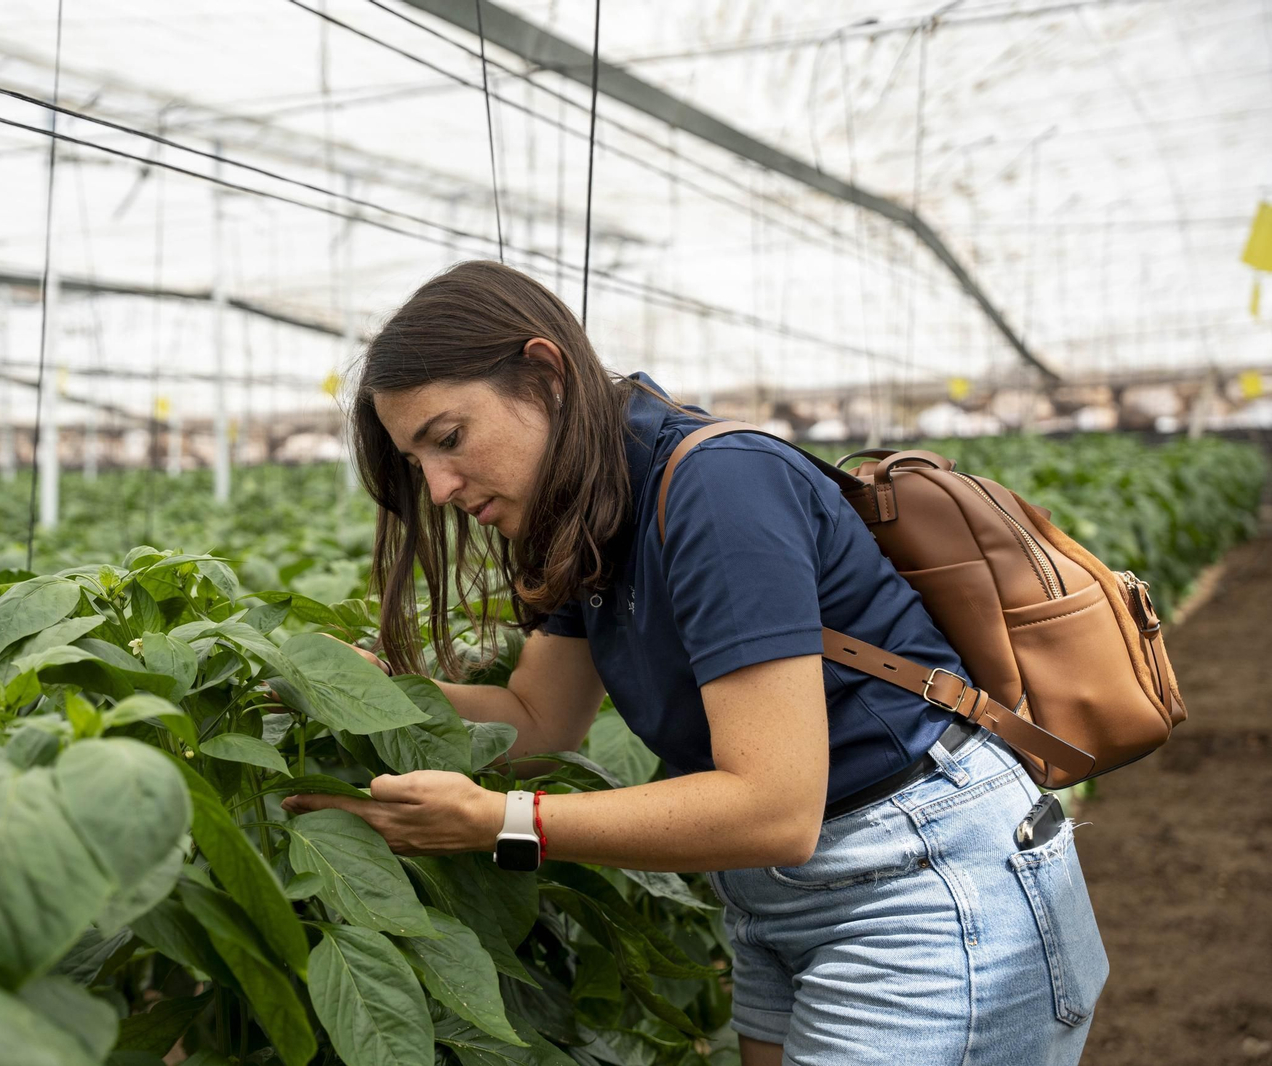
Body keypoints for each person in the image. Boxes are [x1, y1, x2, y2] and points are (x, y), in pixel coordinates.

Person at [280, 260, 1108, 1066]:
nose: (438, 487)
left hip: (922, 882)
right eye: (416, 461)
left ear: (545, 374)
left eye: (448, 439)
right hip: (773, 893)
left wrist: (503, 823)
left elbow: (774, 805)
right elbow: (538, 722)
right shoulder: (589, 505)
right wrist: (373, 695)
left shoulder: (717, 486)